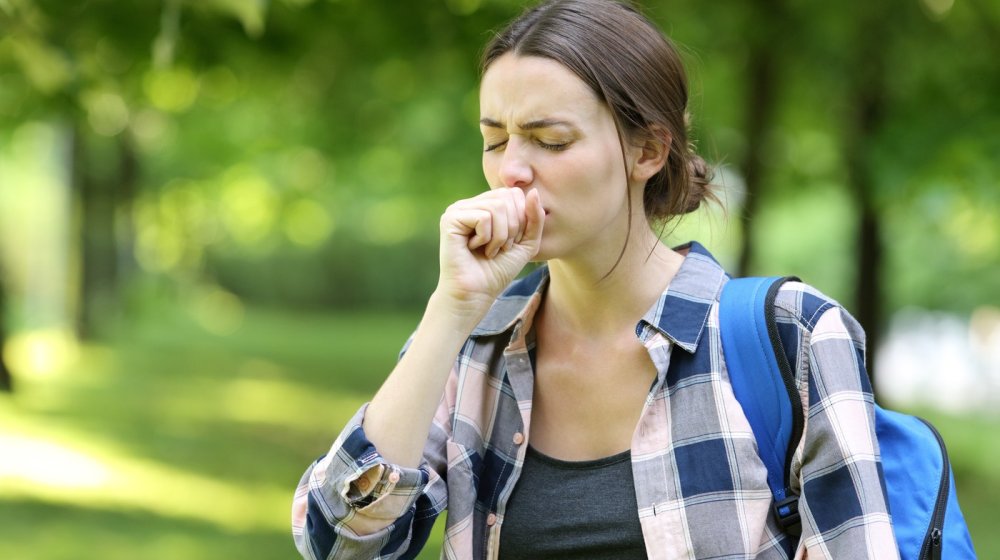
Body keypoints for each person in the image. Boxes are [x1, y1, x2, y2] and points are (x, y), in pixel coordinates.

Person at [292, 0, 898, 558]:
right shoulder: (473, 347)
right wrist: (451, 308)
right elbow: (339, 542)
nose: (512, 171)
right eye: (494, 140)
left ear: (648, 151)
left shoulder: (793, 333)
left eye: (550, 141)